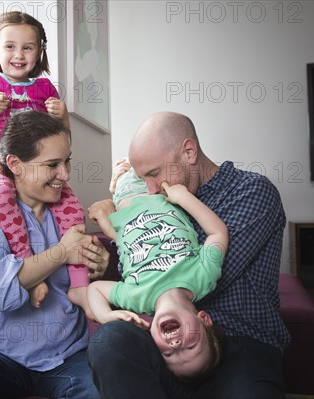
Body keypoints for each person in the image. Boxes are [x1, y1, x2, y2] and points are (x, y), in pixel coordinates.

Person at [87, 111, 290, 398]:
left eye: (154, 174)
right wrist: (124, 214)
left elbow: (198, 277)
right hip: (166, 346)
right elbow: (138, 266)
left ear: (189, 152)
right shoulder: (154, 201)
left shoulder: (251, 191)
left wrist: (135, 219)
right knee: (109, 340)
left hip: (240, 343)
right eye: (142, 179)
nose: (151, 189)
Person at [0, 111, 108, 399]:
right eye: (52, 165)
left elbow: (82, 275)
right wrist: (62, 252)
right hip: (0, 356)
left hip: (67, 356)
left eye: (67, 161)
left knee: (99, 391)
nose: (65, 175)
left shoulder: (67, 212)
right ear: (15, 165)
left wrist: (98, 261)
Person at [0, 11, 89, 311]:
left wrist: (63, 114)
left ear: (40, 51)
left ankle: (80, 284)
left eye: (28, 47)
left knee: (71, 206)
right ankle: (30, 272)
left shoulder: (44, 88)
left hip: (34, 169)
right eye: (10, 46)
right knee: (1, 199)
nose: (19, 54)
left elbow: (62, 137)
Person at [88, 166, 227, 381]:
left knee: (124, 168)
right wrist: (184, 197)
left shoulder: (136, 299)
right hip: (164, 191)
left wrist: (105, 316)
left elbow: (94, 289)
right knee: (149, 149)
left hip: (126, 196)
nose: (175, 345)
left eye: (168, 354)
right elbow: (217, 232)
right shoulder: (203, 278)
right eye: (191, 346)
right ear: (204, 320)